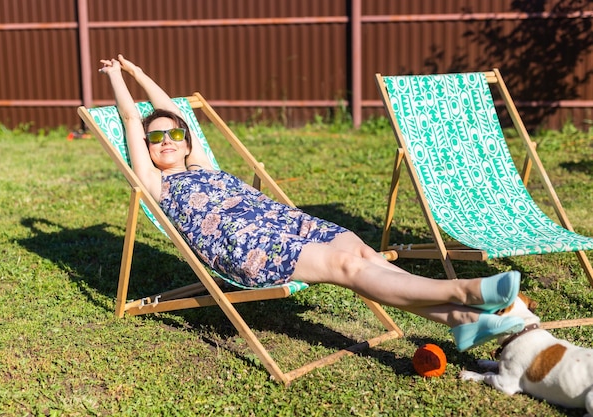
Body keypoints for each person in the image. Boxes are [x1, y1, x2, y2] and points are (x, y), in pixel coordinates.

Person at [99, 54, 525, 352]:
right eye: (157, 138)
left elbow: (172, 112)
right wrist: (118, 78)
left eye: (175, 135)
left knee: (359, 249)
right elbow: (133, 120)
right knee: (348, 268)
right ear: (147, 147)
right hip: (244, 244)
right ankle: (466, 291)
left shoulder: (202, 163)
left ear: (188, 141)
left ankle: (463, 324)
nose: (167, 140)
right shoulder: (155, 182)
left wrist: (140, 72)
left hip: (279, 220)